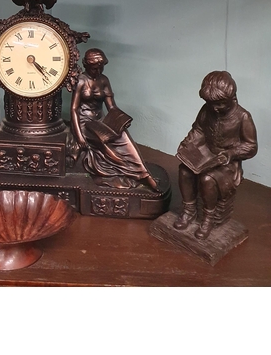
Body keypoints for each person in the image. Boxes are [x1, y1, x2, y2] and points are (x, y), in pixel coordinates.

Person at [174, 71, 257, 239]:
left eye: (220, 104)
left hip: (226, 163)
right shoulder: (207, 110)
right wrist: (188, 143)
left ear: (233, 98)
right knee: (184, 170)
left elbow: (251, 146)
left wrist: (231, 153)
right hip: (205, 154)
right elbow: (198, 130)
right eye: (211, 104)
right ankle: (189, 210)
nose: (215, 108)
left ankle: (208, 218)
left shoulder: (243, 117)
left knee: (207, 179)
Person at [70, 48, 158, 190]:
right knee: (106, 145)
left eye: (101, 68)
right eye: (94, 68)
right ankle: (130, 173)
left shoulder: (104, 80)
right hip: (85, 123)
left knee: (124, 137)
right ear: (87, 65)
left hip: (101, 120)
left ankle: (144, 174)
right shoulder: (81, 80)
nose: (98, 71)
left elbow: (111, 107)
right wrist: (79, 136)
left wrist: (120, 120)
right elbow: (74, 109)